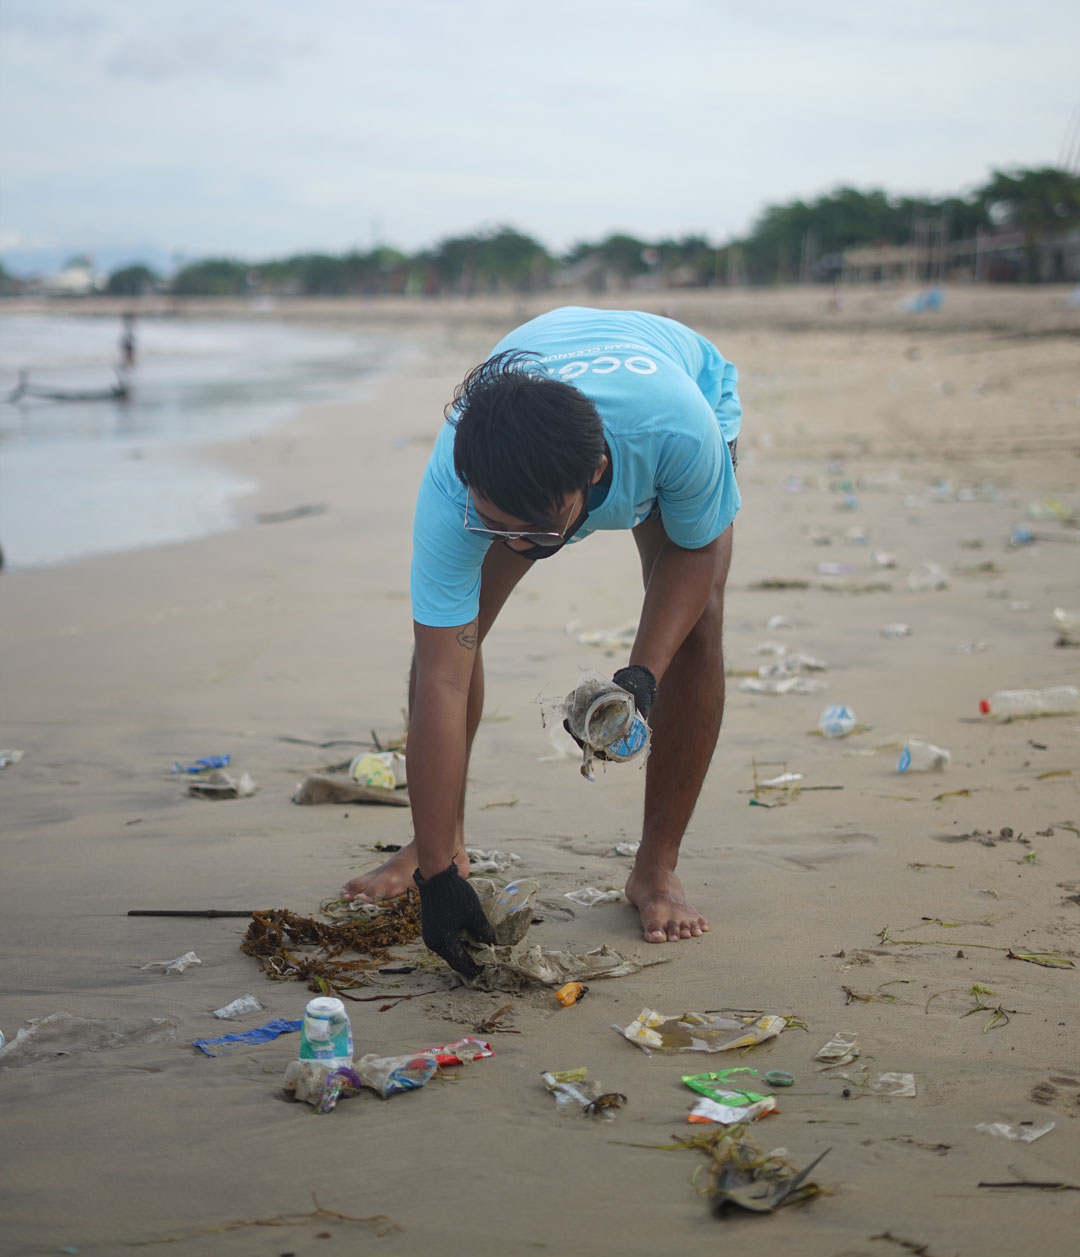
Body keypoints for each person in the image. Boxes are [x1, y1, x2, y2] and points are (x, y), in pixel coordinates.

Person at [341, 306, 741, 978]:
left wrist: (641, 677)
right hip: (534, 442)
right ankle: (438, 843)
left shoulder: (677, 431)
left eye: (536, 535)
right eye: (497, 528)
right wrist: (439, 882)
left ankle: (656, 868)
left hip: (679, 385)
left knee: (699, 627)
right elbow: (443, 677)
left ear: (595, 476)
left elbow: (693, 556)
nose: (517, 549)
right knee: (451, 648)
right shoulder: (453, 487)